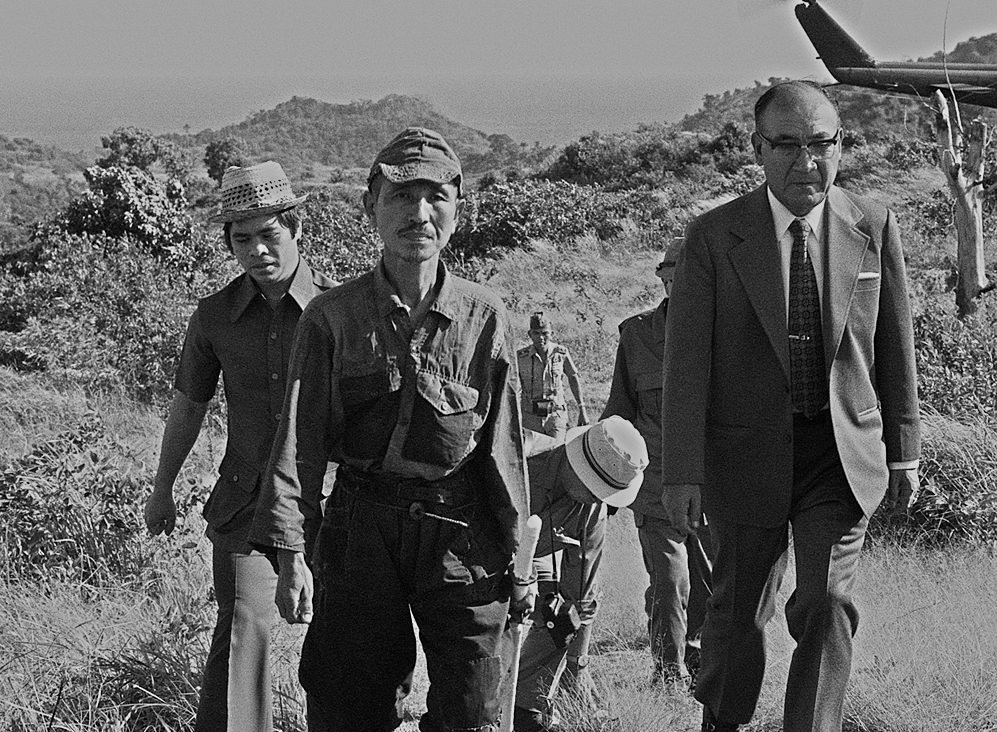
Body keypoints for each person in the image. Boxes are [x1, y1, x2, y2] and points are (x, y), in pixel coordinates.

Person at [248, 127, 531, 732]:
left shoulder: (485, 317)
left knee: (475, 707)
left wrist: (520, 560)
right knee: (348, 702)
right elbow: (299, 443)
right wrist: (293, 552)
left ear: (459, 210)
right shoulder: (333, 317)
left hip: (461, 528)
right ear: (371, 204)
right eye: (402, 196)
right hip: (361, 526)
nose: (419, 214)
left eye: (437, 197)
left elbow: (504, 451)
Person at [660, 81, 921, 732]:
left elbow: (894, 345)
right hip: (744, 457)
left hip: (839, 455)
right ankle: (722, 719)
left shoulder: (872, 224)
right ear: (757, 148)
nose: (805, 162)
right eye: (786, 145)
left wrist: (904, 449)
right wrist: (681, 472)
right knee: (736, 618)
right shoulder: (714, 237)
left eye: (821, 144)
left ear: (839, 146)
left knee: (826, 602)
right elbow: (686, 364)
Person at [143, 161, 337, 732]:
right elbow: (189, 405)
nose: (256, 250)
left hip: (330, 502)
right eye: (241, 238)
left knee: (343, 644)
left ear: (295, 227)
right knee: (242, 630)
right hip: (245, 501)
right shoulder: (215, 318)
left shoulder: (339, 310)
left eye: (268, 233)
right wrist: (162, 487)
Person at [601, 240, 714, 689]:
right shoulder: (637, 336)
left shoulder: (725, 334)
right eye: (669, 278)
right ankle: (668, 675)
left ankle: (701, 666)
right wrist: (604, 483)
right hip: (655, 490)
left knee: (708, 590)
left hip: (712, 489)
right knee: (671, 583)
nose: (674, 285)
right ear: (663, 280)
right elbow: (617, 415)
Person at [513, 416, 648, 732]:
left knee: (559, 619)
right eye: (596, 488)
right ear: (575, 465)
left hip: (532, 554)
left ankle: (526, 705)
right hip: (480, 549)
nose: (601, 499)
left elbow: (581, 594)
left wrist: (579, 665)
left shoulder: (593, 508)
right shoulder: (518, 460)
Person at [517, 312, 590, 439]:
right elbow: (512, 386)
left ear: (552, 334)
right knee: (532, 456)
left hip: (556, 416)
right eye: (536, 333)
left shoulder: (561, 353)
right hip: (530, 417)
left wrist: (582, 409)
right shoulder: (521, 357)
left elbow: (573, 377)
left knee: (557, 453)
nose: (541, 338)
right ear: (530, 334)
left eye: (545, 333)